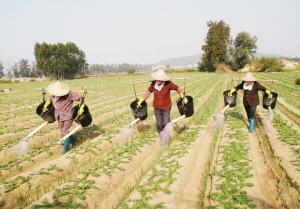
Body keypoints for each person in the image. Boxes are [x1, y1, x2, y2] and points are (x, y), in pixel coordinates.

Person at [137, 67, 188, 143]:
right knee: (159, 123)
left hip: (166, 106)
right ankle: (163, 136)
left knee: (165, 122)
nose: (159, 80)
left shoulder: (168, 83)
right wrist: (142, 99)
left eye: (161, 79)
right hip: (156, 107)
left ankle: (166, 135)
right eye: (158, 79)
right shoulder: (153, 84)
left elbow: (177, 88)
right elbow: (148, 92)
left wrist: (182, 96)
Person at [45, 81, 83, 153]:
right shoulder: (55, 94)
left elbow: (81, 98)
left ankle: (66, 150)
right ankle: (74, 142)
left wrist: (81, 106)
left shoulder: (70, 94)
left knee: (65, 132)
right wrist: (46, 103)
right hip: (59, 116)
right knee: (63, 131)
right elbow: (50, 99)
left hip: (67, 116)